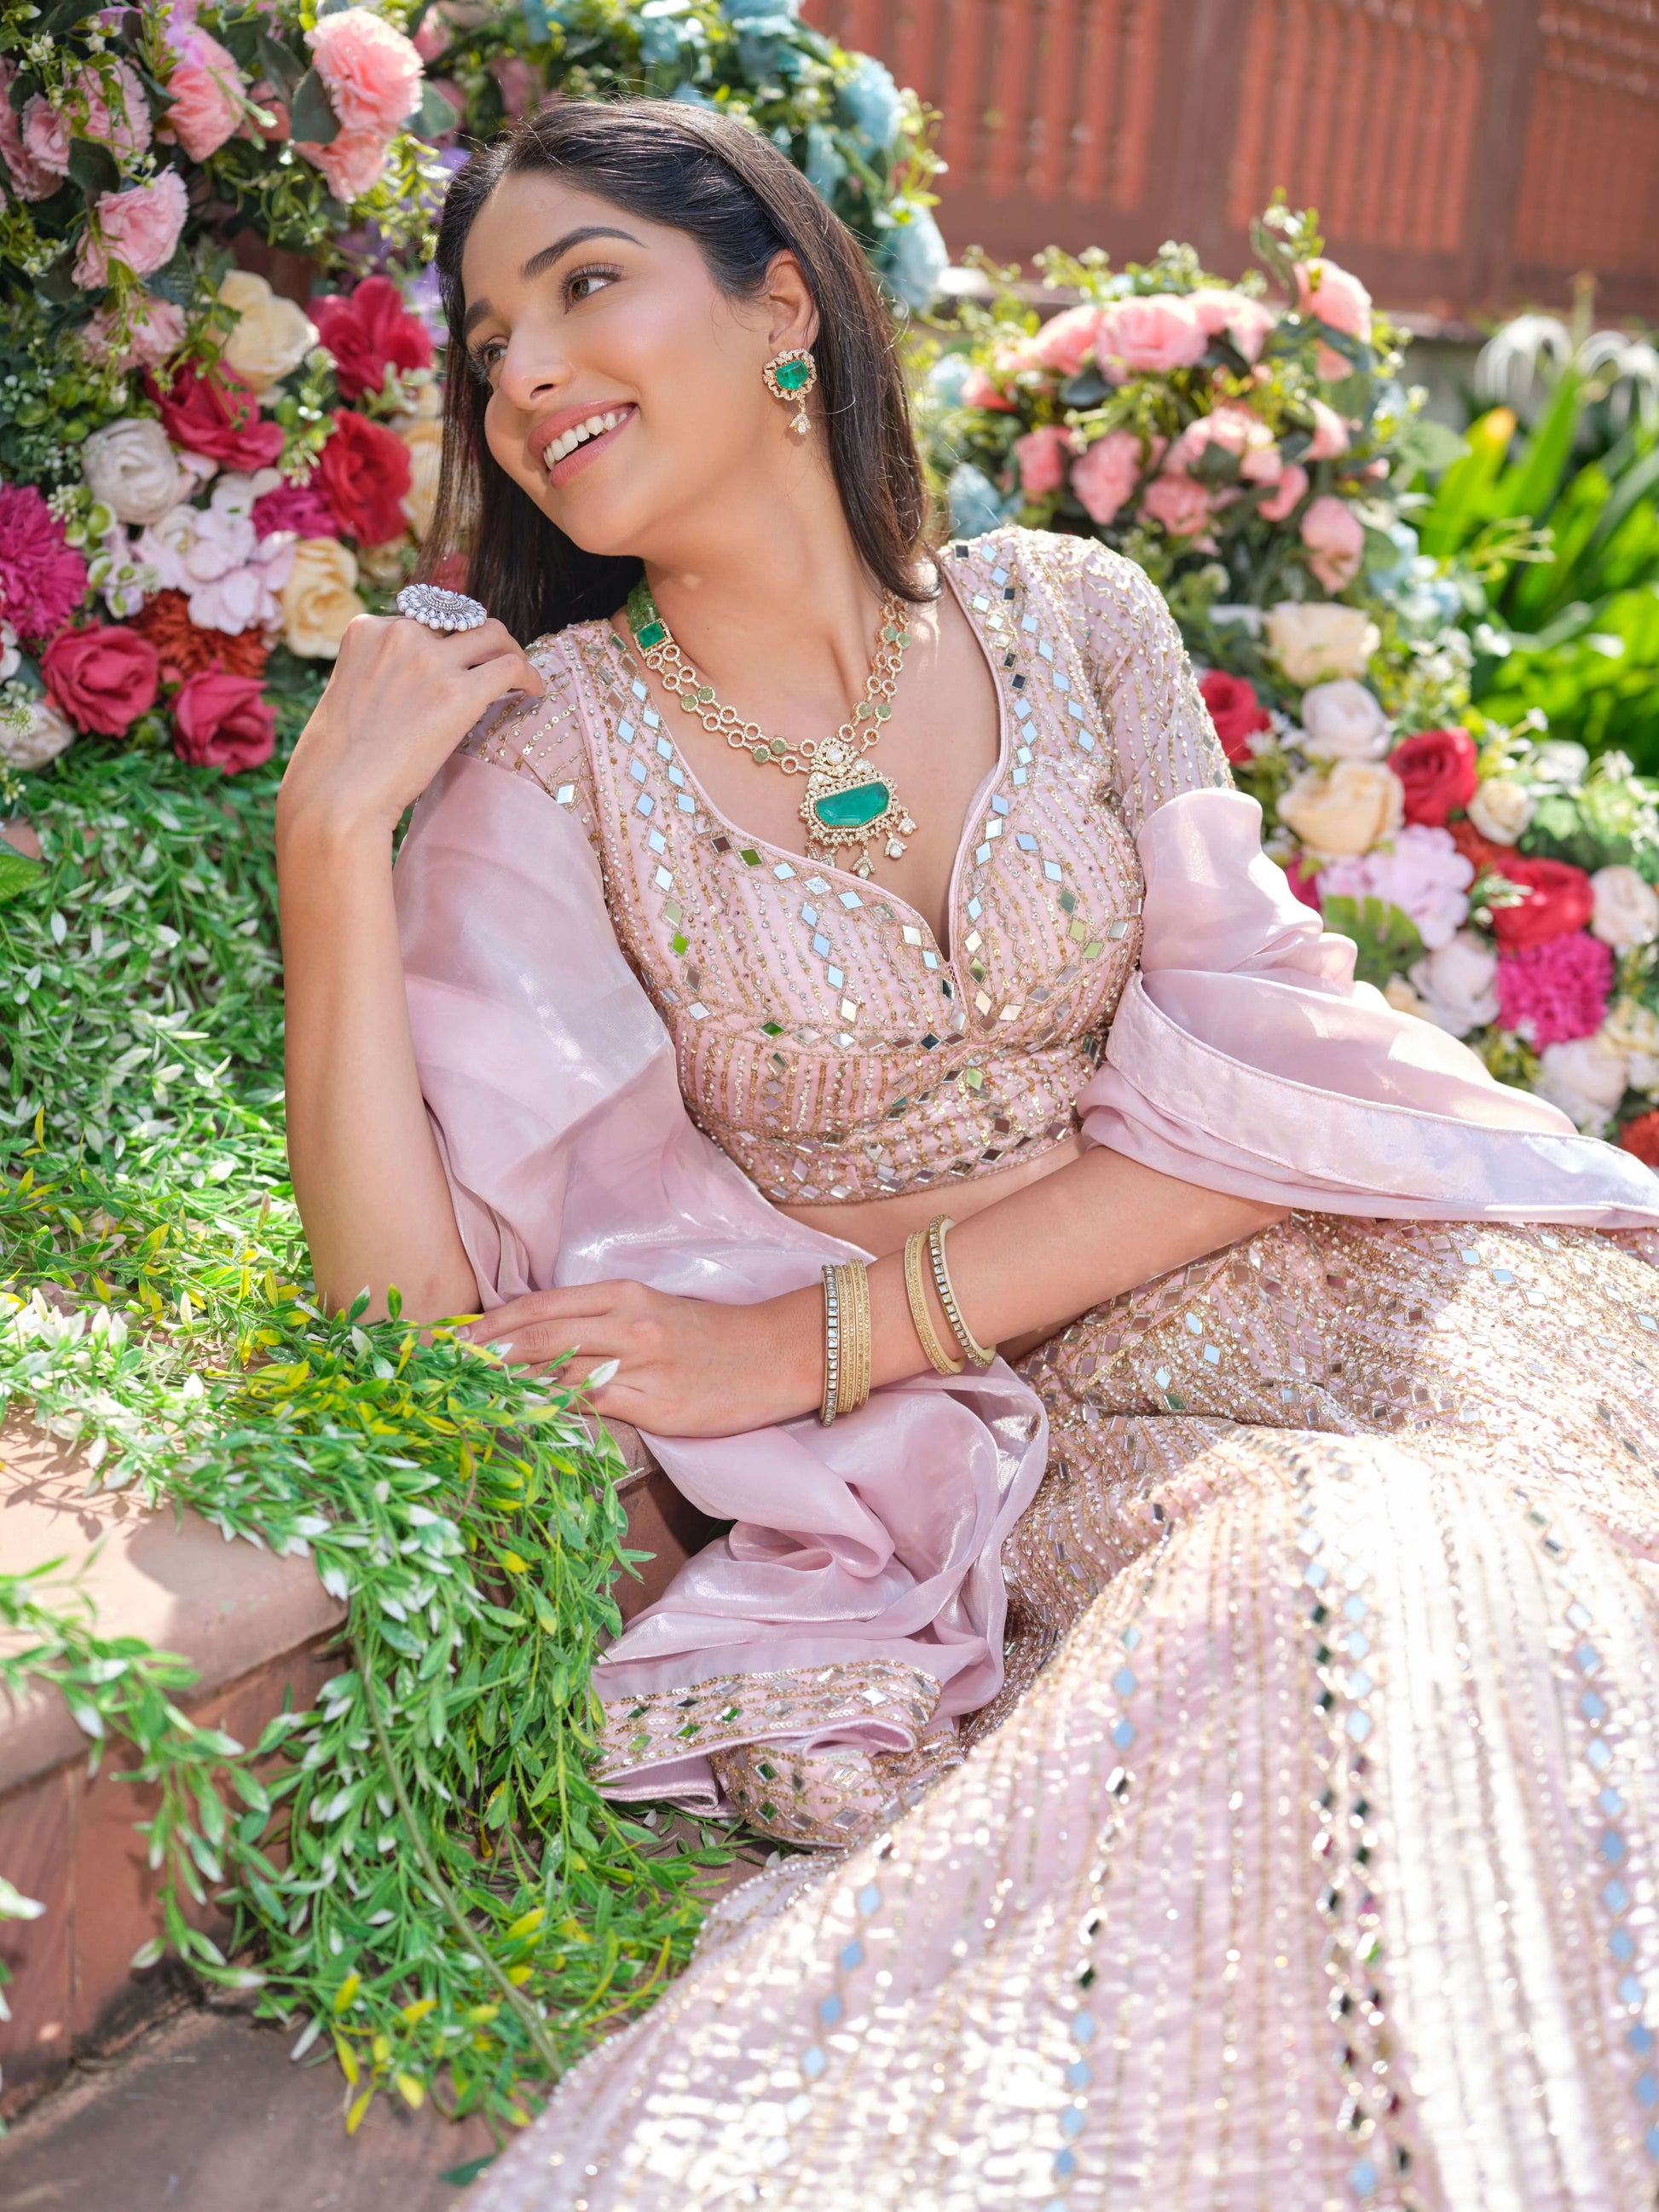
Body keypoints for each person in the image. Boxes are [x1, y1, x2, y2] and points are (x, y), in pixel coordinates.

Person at [278, 97, 1659, 2212]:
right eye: (485, 344)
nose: (525, 373)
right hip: (1040, 1430)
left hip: (1365, 1286)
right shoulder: (548, 752)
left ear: (782, 313)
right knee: (1362, 1574)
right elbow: (408, 1320)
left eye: (582, 287)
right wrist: (327, 851)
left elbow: (1282, 1084)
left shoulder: (1073, 618)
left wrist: (807, 1333)